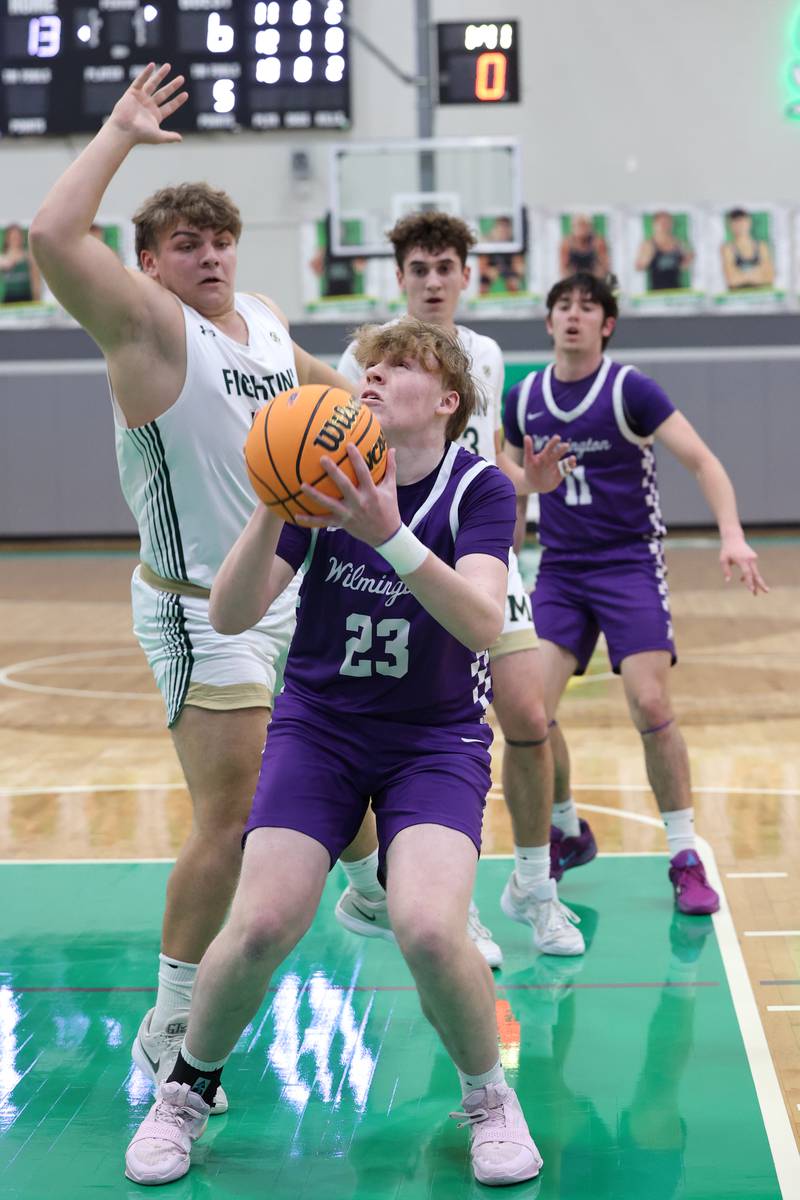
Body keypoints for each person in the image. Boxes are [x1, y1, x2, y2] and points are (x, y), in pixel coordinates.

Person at [124, 316, 543, 1188]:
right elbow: (234, 615)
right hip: (320, 727)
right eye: (370, 365)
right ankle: (184, 1092)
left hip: (434, 737)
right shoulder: (314, 482)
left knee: (429, 927)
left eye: (400, 366)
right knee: (265, 920)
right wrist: (272, 507)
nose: (374, 376)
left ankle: (491, 1100)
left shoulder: (480, 489)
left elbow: (481, 620)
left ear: (449, 400)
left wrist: (389, 532)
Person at [29, 63, 359, 1115]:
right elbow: (48, 238)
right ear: (150, 266)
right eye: (185, 244)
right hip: (190, 607)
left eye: (219, 239)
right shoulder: (142, 327)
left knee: (338, 789)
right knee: (234, 815)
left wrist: (388, 410)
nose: (208, 254)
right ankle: (170, 1021)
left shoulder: (258, 316)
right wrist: (122, 131)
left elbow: (322, 388)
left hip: (289, 598)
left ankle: (364, 881)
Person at [335, 211, 585, 964]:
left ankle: (535, 886)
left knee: (530, 716)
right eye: (419, 269)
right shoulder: (365, 359)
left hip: (479, 560)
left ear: (466, 276)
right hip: (395, 563)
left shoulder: (485, 353)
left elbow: (487, 459)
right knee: (436, 733)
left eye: (446, 267)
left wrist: (526, 486)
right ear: (401, 277)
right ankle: (450, 906)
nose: (433, 281)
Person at [502, 272, 768, 915]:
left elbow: (703, 461)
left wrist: (731, 534)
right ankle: (567, 828)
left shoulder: (630, 390)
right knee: (531, 712)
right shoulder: (522, 397)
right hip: (560, 568)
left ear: (606, 324)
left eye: (586, 308)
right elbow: (509, 486)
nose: (573, 316)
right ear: (548, 322)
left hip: (628, 563)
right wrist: (503, 560)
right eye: (562, 306)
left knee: (649, 704)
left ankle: (684, 854)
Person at [634, 211, 693, 291]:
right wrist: (648, 257)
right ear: (654, 224)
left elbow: (684, 267)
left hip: (677, 290)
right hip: (656, 292)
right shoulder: (648, 245)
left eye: (668, 222)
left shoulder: (678, 243)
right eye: (662, 223)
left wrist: (689, 258)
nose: (665, 225)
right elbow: (638, 268)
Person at [721, 208, 775, 290]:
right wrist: (757, 273)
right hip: (737, 298)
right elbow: (732, 280)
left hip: (763, 296)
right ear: (730, 225)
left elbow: (769, 277)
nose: (740, 226)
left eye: (742, 221)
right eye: (736, 223)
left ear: (749, 222)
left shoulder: (762, 246)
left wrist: (741, 275)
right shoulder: (727, 249)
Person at [558, 213, 610, 279]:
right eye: (579, 226)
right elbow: (563, 269)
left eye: (584, 226)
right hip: (574, 278)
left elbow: (605, 266)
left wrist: (594, 280)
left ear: (590, 227)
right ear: (573, 227)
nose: (582, 229)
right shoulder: (566, 243)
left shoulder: (598, 242)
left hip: (594, 277)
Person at [0, 223, 41, 303]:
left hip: (27, 298)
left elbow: (35, 280)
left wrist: (37, 298)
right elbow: (5, 264)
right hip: (9, 299)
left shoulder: (29, 257)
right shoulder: (2, 258)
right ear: (7, 239)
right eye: (13, 237)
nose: (15, 239)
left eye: (17, 237)